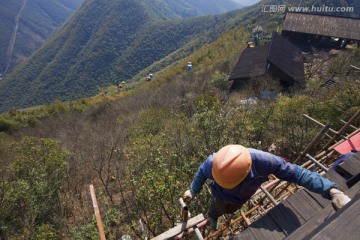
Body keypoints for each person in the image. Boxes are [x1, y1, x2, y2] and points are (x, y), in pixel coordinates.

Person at [183, 145, 351, 230]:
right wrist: (192, 191)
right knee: (216, 208)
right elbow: (200, 174)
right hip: (220, 196)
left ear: (247, 172)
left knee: (233, 208)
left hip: (244, 196)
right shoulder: (214, 162)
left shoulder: (266, 162)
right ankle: (212, 218)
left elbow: (299, 174)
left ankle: (226, 212)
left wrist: (331, 191)